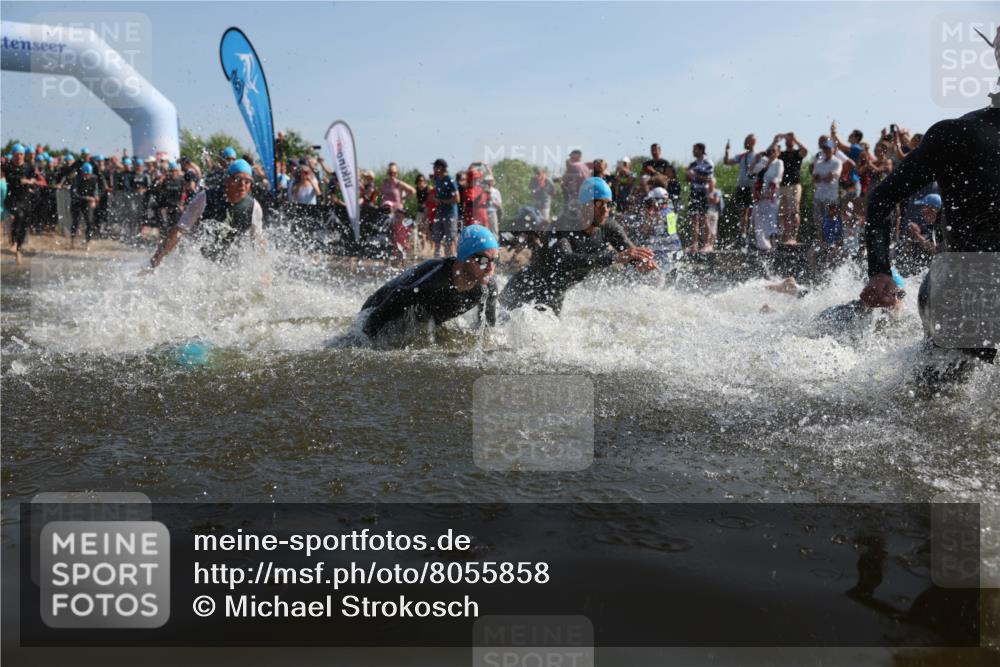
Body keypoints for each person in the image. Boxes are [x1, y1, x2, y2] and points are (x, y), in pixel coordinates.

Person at [860, 43, 1000, 363]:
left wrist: (880, 270)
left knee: (940, 401)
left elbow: (881, 198)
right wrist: (880, 270)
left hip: (959, 286)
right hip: (963, 290)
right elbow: (881, 198)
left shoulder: (956, 132)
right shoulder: (959, 133)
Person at [499, 177, 656, 315]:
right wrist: (614, 258)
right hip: (523, 289)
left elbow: (630, 253)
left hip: (554, 294)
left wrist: (641, 262)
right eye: (599, 204)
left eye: (609, 204)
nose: (605, 210)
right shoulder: (563, 227)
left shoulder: (609, 228)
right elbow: (566, 260)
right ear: (584, 205)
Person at [359, 224, 499, 343]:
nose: (490, 268)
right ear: (464, 257)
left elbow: (487, 331)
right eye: (483, 260)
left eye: (494, 260)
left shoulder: (488, 288)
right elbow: (382, 312)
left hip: (417, 316)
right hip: (378, 306)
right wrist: (363, 341)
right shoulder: (434, 280)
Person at [147, 159, 264, 269]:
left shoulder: (254, 207)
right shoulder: (205, 198)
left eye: (248, 181)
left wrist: (264, 271)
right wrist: (155, 261)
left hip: (232, 265)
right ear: (227, 180)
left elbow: (258, 242)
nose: (243, 185)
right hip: (202, 262)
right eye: (238, 179)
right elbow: (179, 230)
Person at [2, 144, 36, 265]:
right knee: (19, 215)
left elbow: (33, 178)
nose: (19, 157)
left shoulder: (28, 166)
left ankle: (18, 250)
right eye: (17, 154)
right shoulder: (8, 166)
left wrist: (31, 181)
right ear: (13, 155)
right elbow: (9, 178)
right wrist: (19, 180)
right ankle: (14, 243)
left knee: (25, 223)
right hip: (12, 199)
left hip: (25, 199)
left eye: (21, 154)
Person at [723, 134, 759, 244]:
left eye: (746, 142)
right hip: (741, 187)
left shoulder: (758, 156)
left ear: (753, 142)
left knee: (752, 212)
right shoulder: (742, 156)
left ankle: (752, 235)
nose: (744, 144)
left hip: (752, 187)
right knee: (742, 212)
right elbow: (727, 162)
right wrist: (727, 151)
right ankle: (743, 234)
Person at [751, 143, 784, 251]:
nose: (772, 153)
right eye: (770, 151)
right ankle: (762, 245)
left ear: (778, 152)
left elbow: (777, 178)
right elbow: (753, 172)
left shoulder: (779, 162)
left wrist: (770, 191)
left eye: (774, 151)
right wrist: (757, 160)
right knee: (759, 218)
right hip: (760, 194)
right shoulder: (763, 161)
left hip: (772, 194)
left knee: (771, 218)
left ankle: (773, 244)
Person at [811, 138, 843, 246]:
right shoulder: (818, 162)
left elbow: (833, 176)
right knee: (818, 220)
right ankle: (820, 241)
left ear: (833, 149)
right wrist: (823, 177)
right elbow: (814, 178)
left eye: (828, 148)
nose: (826, 150)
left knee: (830, 220)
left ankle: (831, 241)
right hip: (819, 196)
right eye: (824, 148)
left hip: (831, 197)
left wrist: (821, 177)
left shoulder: (837, 162)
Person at [778, 132, 807, 243]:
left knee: (794, 211)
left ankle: (793, 236)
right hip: (783, 186)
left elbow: (805, 151)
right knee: (784, 213)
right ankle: (786, 235)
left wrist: (796, 140)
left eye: (791, 140)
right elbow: (769, 153)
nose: (789, 141)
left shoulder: (797, 153)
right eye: (788, 140)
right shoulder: (782, 154)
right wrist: (776, 140)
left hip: (794, 185)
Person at [686, 143, 714, 252]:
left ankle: (707, 244)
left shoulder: (708, 162)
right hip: (693, 192)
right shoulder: (692, 164)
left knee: (704, 218)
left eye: (695, 149)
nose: (693, 151)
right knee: (694, 219)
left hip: (703, 192)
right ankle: (694, 245)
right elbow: (688, 179)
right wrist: (688, 175)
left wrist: (695, 175)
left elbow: (708, 178)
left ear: (701, 150)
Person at [431, 158, 459, 258]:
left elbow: (457, 199)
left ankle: (450, 262)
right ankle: (436, 261)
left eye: (434, 167)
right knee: (437, 239)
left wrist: (442, 201)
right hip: (440, 213)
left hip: (450, 214)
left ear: (440, 168)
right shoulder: (438, 179)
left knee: (449, 240)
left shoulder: (450, 180)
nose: (433, 168)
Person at [69, 162, 101, 249]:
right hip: (76, 202)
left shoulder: (94, 179)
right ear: (83, 172)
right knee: (76, 221)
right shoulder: (76, 179)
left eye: (89, 174)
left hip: (87, 203)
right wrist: (87, 198)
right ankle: (72, 241)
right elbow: (73, 194)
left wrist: (96, 197)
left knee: (90, 222)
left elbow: (96, 190)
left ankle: (88, 242)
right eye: (86, 174)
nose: (87, 176)